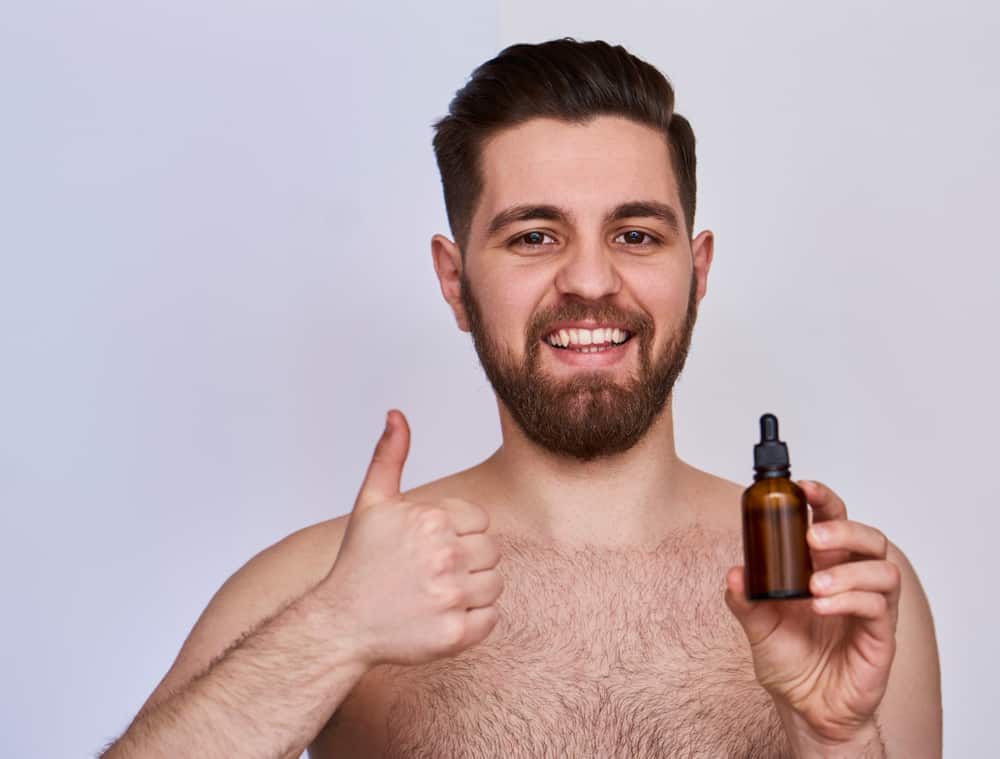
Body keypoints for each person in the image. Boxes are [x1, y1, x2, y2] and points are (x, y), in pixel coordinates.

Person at [101, 38, 941, 758]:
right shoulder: (318, 583)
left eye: (636, 234)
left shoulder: (840, 591)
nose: (588, 280)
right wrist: (334, 629)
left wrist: (835, 740)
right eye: (535, 236)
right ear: (454, 281)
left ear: (699, 271)